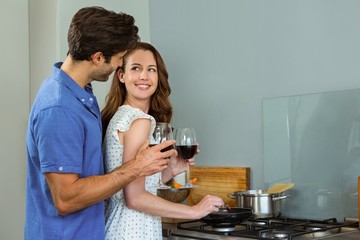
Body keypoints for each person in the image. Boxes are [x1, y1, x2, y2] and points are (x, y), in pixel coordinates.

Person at [25, 7, 176, 240]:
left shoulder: (81, 96)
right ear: (97, 57)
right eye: (118, 60)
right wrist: (136, 166)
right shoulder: (60, 109)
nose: (119, 67)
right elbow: (66, 199)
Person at [101, 42, 224, 240]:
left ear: (158, 77)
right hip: (134, 231)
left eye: (151, 70)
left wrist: (172, 170)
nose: (144, 76)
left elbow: (134, 185)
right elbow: (134, 198)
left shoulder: (119, 117)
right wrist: (195, 211)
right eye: (136, 68)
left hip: (119, 228)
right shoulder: (141, 121)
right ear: (121, 75)